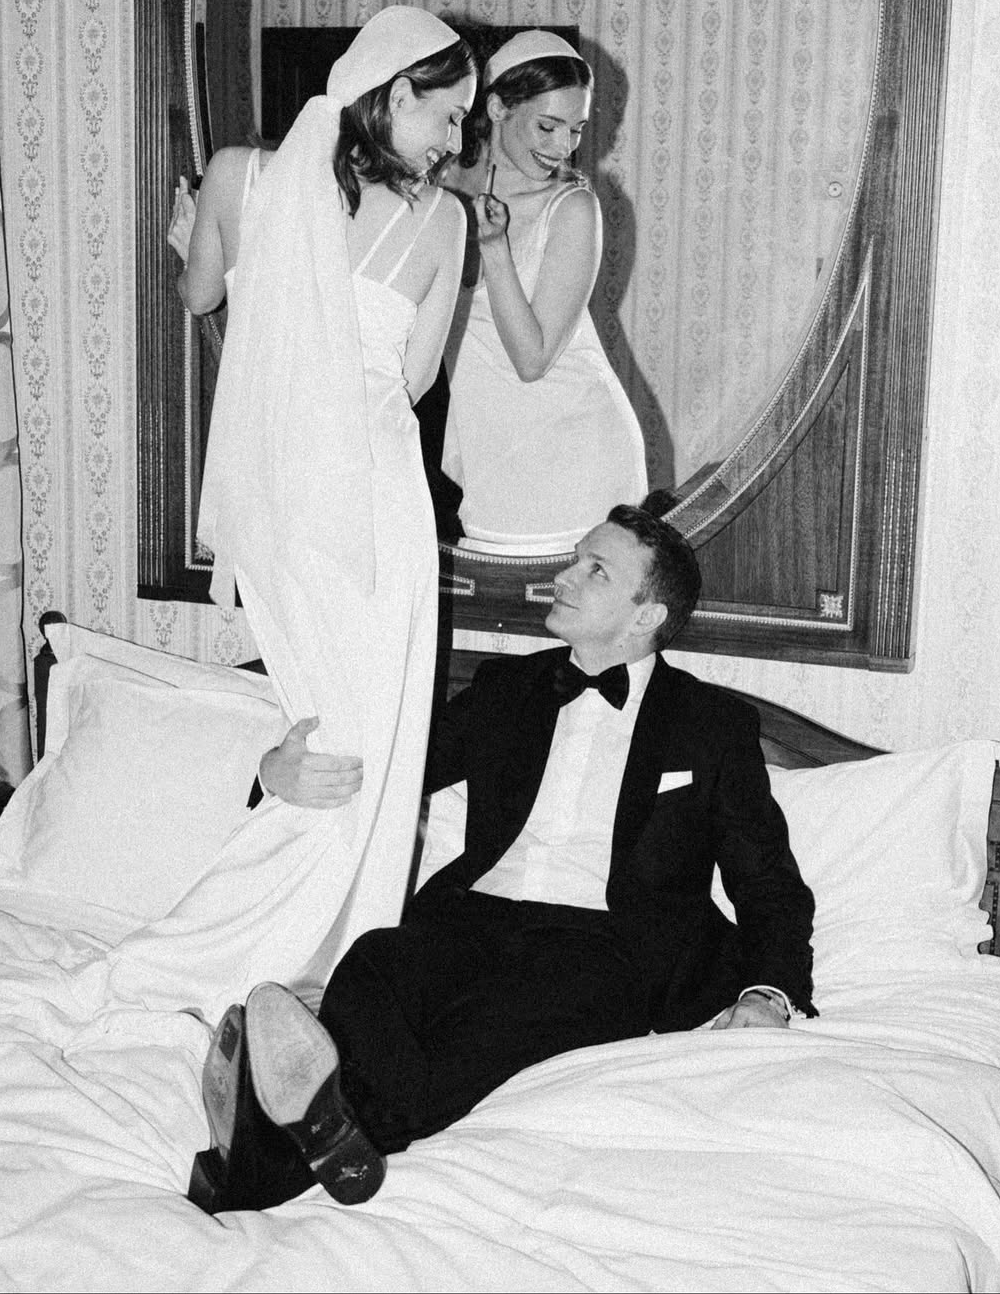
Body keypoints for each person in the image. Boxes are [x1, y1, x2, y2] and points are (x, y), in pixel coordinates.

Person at [187, 502, 816, 1213]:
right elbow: (388, 767)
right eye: (575, 559)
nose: (564, 577)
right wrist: (275, 772)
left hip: (604, 946)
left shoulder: (713, 725)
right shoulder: (506, 691)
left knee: (478, 1035)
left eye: (596, 571)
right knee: (374, 963)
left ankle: (256, 1164)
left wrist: (770, 992)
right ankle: (311, 1145)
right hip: (471, 919)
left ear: (646, 616)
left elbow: (768, 884)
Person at [80, 10, 477, 1019]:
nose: (456, 141)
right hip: (373, 505)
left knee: (328, 746)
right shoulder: (441, 222)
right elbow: (414, 379)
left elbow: (201, 296)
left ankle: (289, 978)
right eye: (447, 115)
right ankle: (292, 974)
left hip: (278, 497)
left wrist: (196, 248)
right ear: (395, 94)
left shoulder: (237, 175)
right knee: (364, 756)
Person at [434, 30, 648, 552]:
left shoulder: (573, 209)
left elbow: (532, 360)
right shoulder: (439, 189)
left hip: (576, 455)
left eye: (576, 130)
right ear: (497, 108)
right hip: (492, 454)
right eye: (547, 126)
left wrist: (495, 248)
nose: (562, 147)